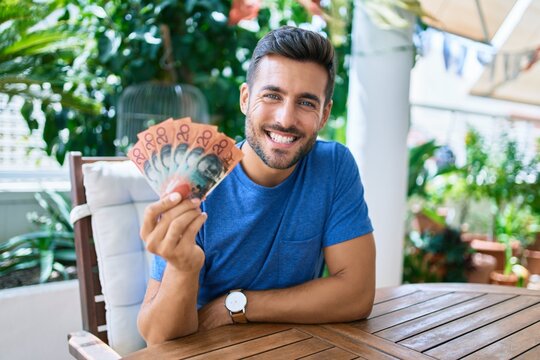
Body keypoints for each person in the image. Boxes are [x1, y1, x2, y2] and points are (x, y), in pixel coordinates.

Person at [137, 25, 376, 344]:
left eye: (306, 103)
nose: (286, 118)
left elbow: (356, 294)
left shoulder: (333, 166)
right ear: (245, 98)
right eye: (272, 95)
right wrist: (183, 268)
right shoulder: (197, 183)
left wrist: (233, 306)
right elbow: (158, 339)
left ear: (324, 114)